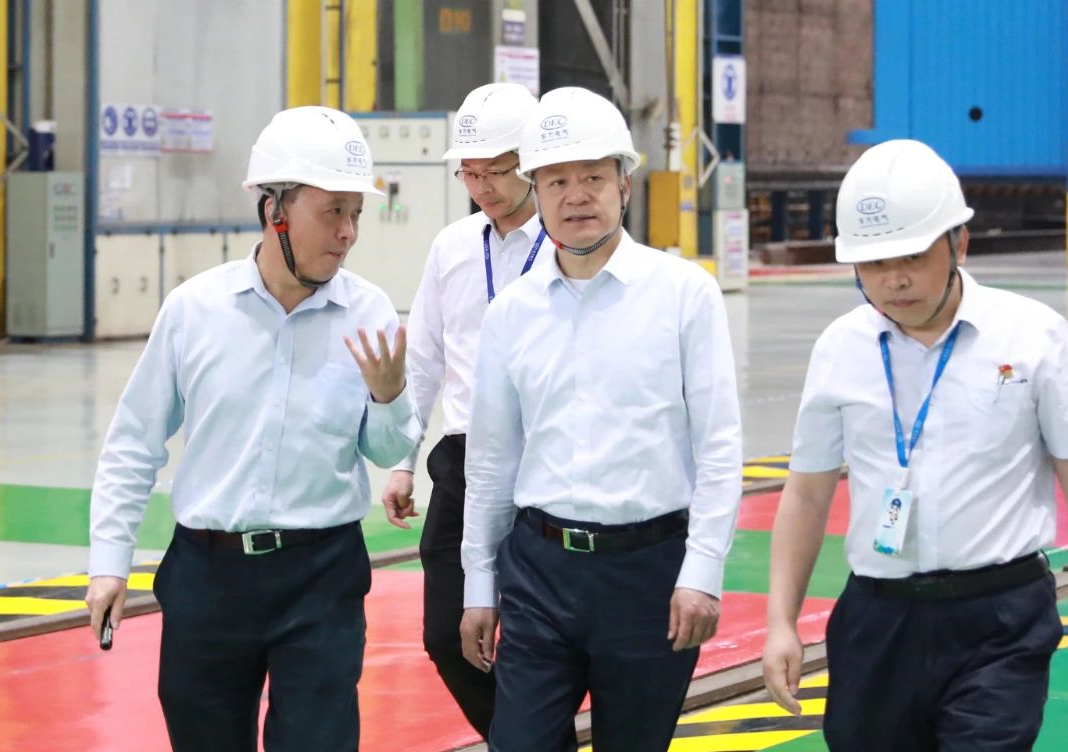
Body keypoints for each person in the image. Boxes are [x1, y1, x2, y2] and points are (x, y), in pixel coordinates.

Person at [760, 139, 1068, 751]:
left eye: (914, 257)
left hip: (1001, 620)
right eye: (873, 263)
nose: (894, 280)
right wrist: (780, 622)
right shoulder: (840, 348)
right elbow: (808, 493)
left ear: (959, 243)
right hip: (878, 622)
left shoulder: (1033, 336)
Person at [84, 106, 421, 752]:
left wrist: (389, 397)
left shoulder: (369, 312)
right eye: (334, 211)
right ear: (275, 211)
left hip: (322, 577)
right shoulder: (195, 311)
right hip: (208, 578)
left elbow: (384, 450)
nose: (348, 232)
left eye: (356, 213)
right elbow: (133, 443)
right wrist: (109, 563)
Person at [459, 87, 743, 750]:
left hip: (648, 576)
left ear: (624, 184)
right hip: (539, 570)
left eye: (592, 177)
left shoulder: (685, 296)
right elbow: (492, 460)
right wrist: (479, 584)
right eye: (557, 180)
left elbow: (719, 446)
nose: (576, 196)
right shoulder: (512, 314)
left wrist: (702, 571)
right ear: (536, 192)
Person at [378, 82, 544, 738]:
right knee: (447, 634)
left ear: (530, 162)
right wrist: (402, 463)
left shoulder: (567, 246)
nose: (481, 186)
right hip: (465, 460)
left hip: (542, 464)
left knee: (536, 641)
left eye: (495, 170)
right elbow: (422, 361)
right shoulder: (452, 247)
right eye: (469, 173)